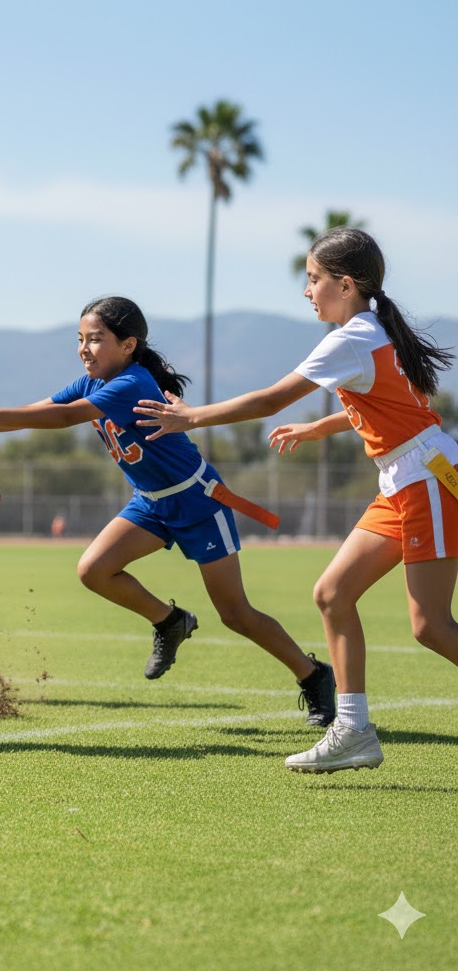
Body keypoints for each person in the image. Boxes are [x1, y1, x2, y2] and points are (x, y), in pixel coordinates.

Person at [0, 296, 336, 727]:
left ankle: (314, 676)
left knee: (236, 614)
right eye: (80, 339)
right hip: (151, 503)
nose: (84, 348)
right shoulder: (92, 381)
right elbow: (47, 410)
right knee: (93, 570)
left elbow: (64, 420)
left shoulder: (132, 382)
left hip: (197, 503)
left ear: (128, 345)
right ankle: (171, 621)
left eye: (95, 339)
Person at [134, 227, 458, 774]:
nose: (307, 291)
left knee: (429, 626)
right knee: (332, 593)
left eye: (313, 280)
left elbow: (269, 400)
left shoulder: (353, 336)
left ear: (345, 284)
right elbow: (406, 404)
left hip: (426, 479)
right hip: (407, 478)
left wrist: (191, 416)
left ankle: (351, 729)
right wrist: (318, 430)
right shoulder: (373, 330)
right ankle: (353, 731)